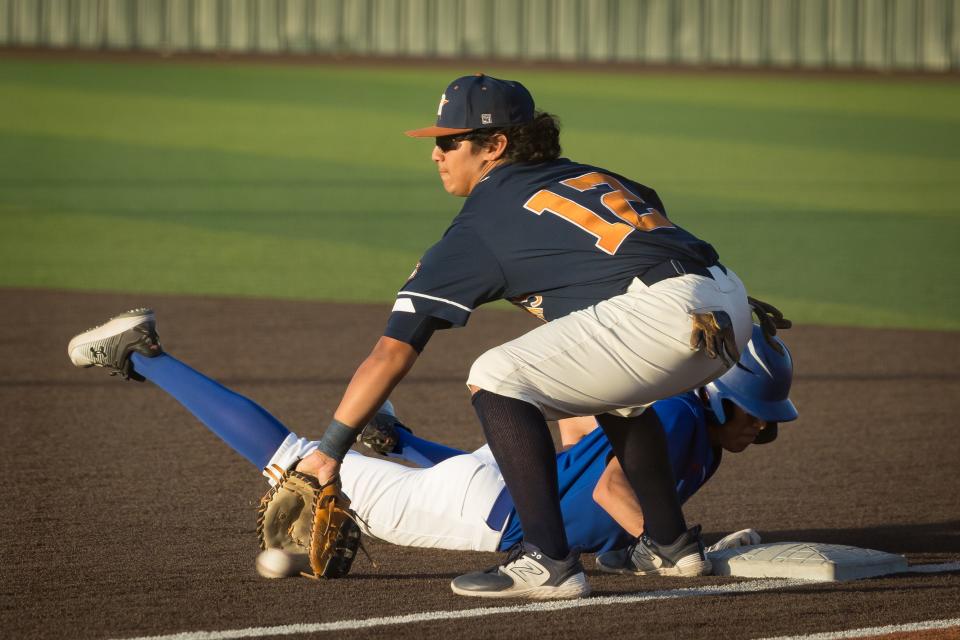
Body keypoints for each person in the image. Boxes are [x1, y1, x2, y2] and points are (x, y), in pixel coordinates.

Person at [72, 74, 763, 599]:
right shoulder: (592, 177)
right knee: (616, 387)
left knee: (496, 375)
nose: (437, 155)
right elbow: (616, 268)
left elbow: (392, 351)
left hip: (661, 314)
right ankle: (671, 546)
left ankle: (550, 565)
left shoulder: (482, 222)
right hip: (727, 302)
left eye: (449, 142)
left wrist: (331, 452)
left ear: (494, 145)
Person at [67, 310, 794, 572]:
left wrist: (636, 549)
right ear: (719, 397)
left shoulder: (679, 422)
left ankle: (399, 442)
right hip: (481, 512)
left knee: (480, 472)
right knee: (292, 457)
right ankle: (141, 354)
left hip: (496, 483)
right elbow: (609, 489)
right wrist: (676, 555)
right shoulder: (677, 424)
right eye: (755, 415)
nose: (761, 428)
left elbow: (593, 491)